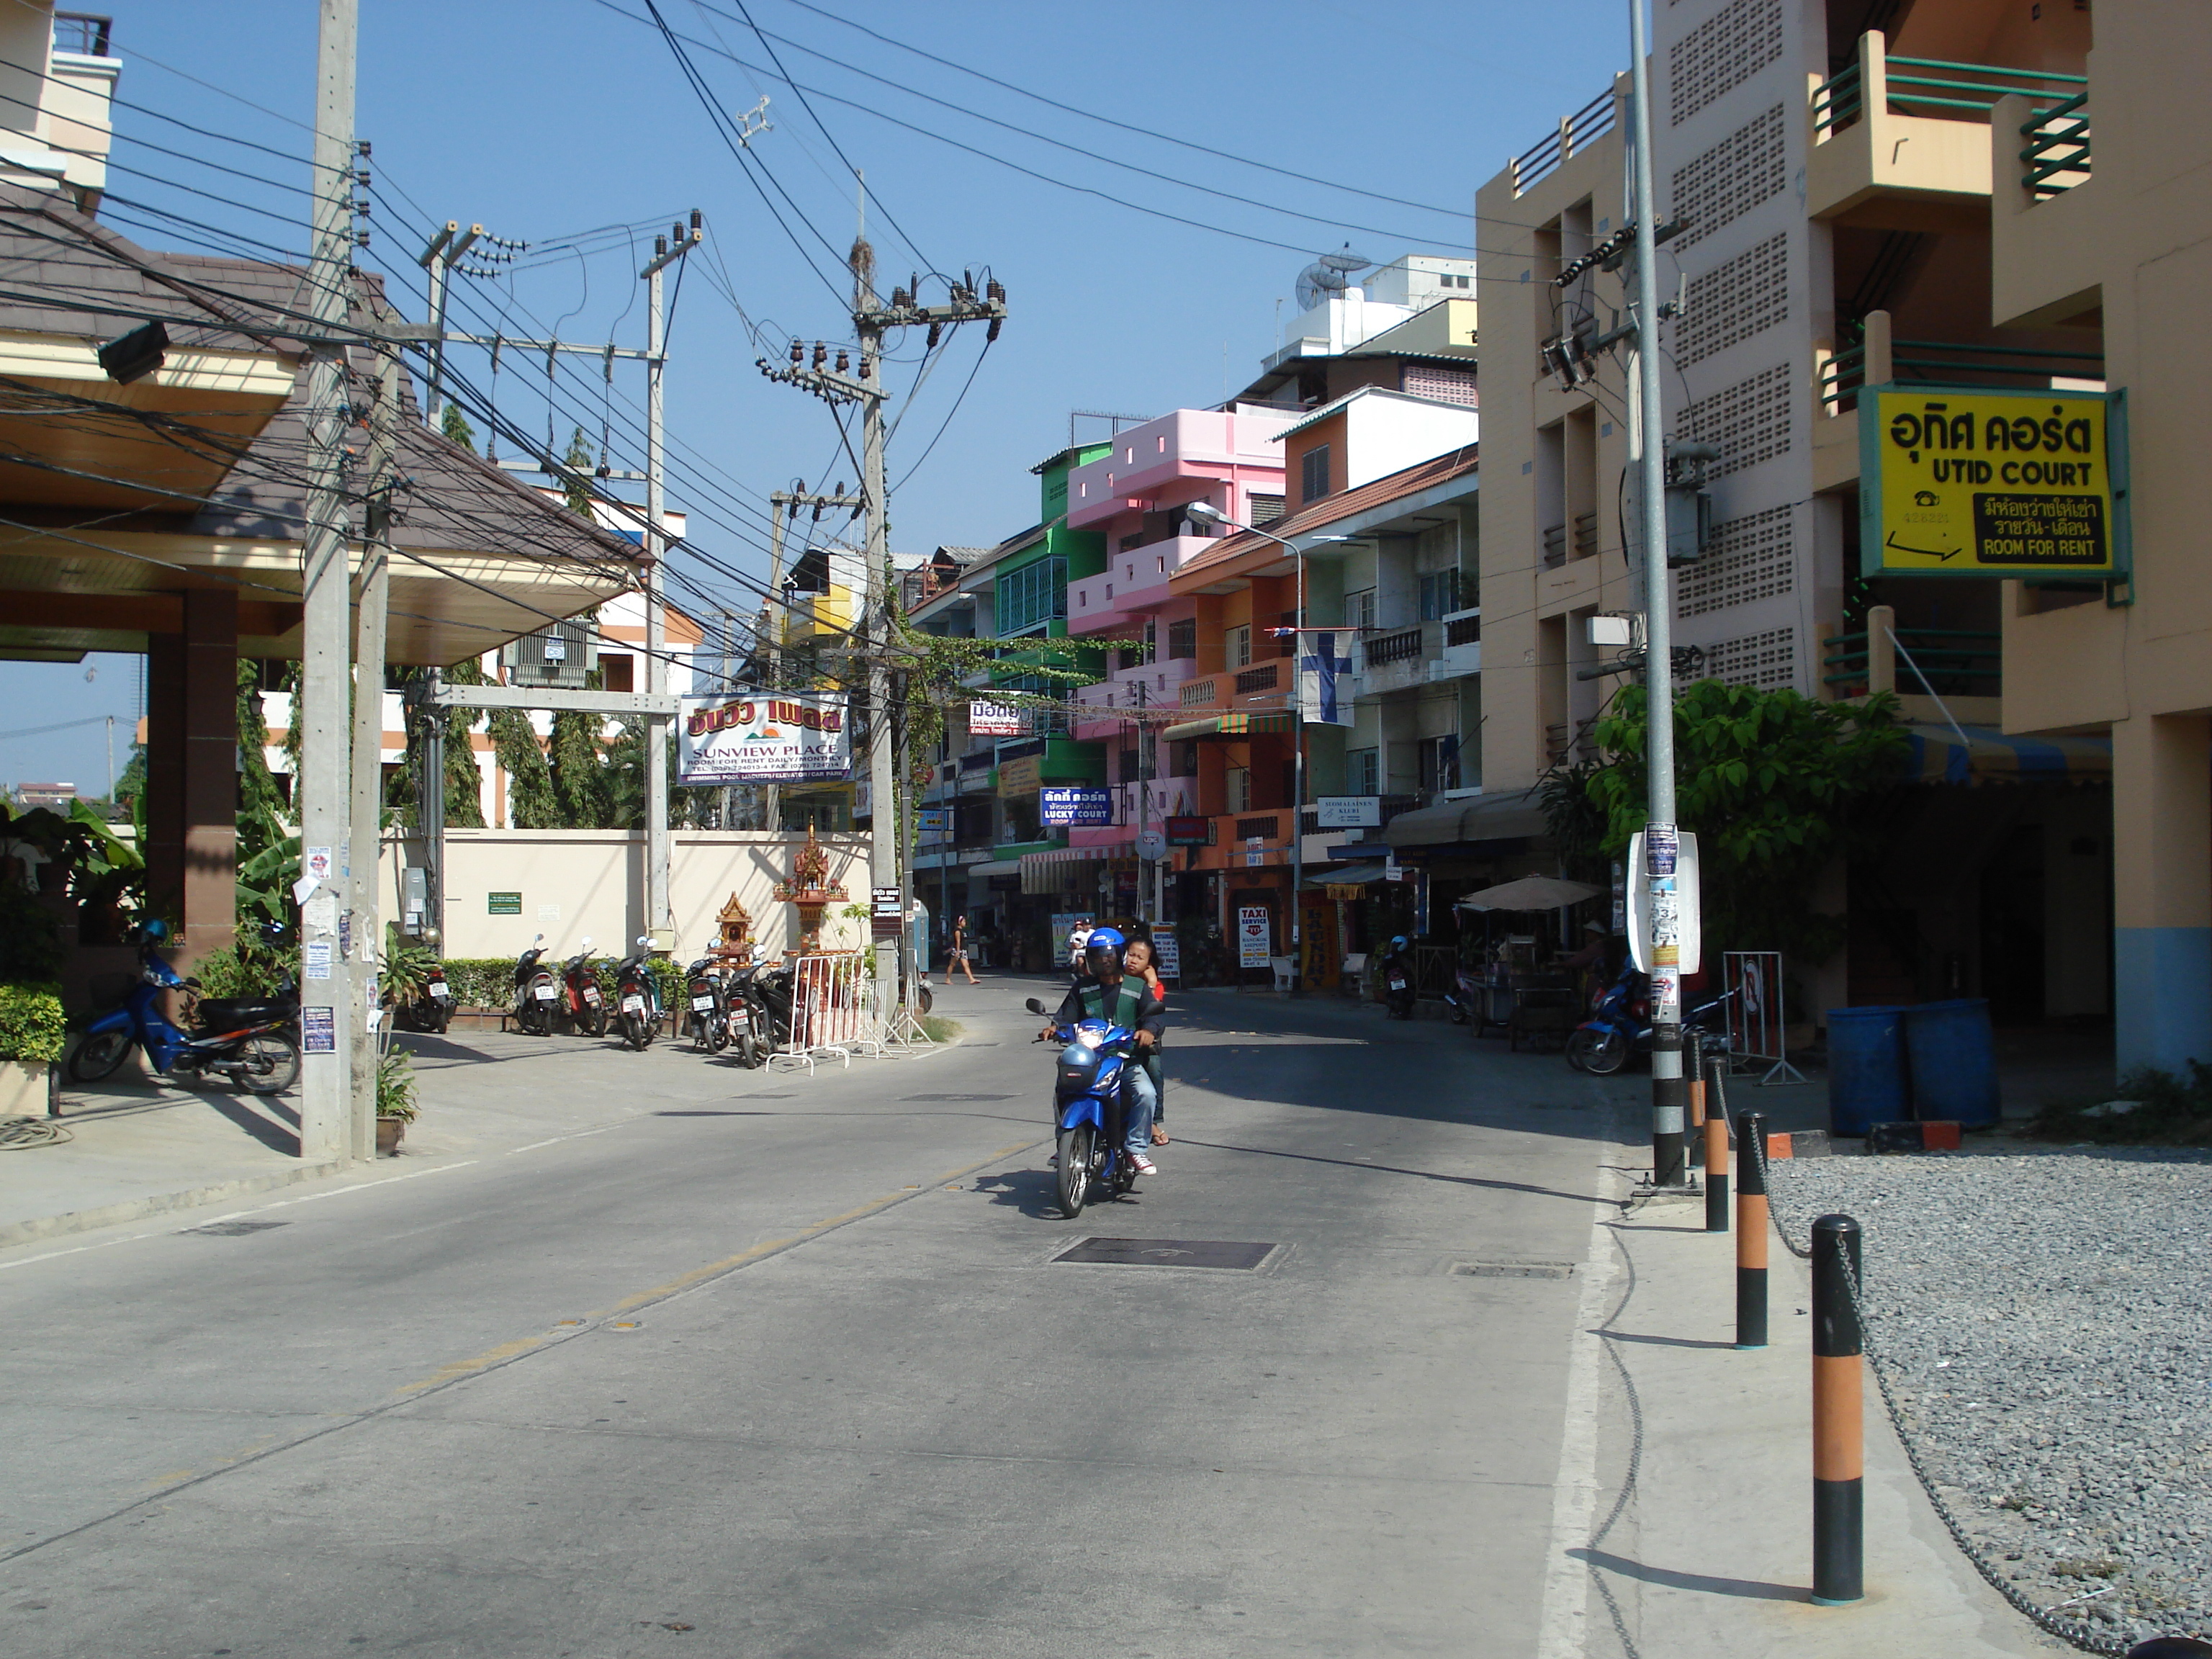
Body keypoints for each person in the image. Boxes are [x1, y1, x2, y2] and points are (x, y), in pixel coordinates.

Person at [1038, 926, 1165, 1176]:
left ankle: (1136, 1150)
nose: (1103, 961)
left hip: (1126, 1061)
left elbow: (1155, 1016)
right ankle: (1063, 1141)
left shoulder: (1137, 987)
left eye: (1108, 955)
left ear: (1119, 955)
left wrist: (1148, 1031)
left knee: (1146, 1093)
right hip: (1089, 1060)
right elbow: (1066, 1015)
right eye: (1097, 956)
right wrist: (1054, 1027)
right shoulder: (1083, 988)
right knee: (1062, 1087)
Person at [1123, 935, 1170, 1146]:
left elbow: (1154, 1012)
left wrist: (1151, 983)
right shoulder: (1114, 979)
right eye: (1131, 955)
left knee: (1155, 1070)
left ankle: (1153, 1122)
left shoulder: (1154, 985)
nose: (1133, 960)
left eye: (1140, 958)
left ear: (1148, 964)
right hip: (1112, 1040)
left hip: (1143, 1042)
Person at [947, 912, 979, 986]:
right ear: (959, 922)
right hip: (958, 950)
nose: (965, 923)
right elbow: (958, 942)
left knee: (966, 965)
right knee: (952, 964)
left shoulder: (962, 931)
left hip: (963, 950)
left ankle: (971, 979)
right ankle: (948, 979)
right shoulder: (957, 931)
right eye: (963, 921)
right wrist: (958, 951)